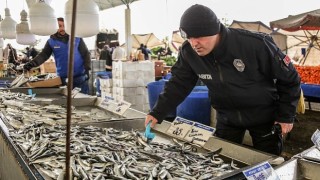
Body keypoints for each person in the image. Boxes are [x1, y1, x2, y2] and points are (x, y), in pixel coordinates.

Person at [145, 4, 301, 156]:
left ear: (215, 31)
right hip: (227, 118)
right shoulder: (189, 53)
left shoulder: (255, 44)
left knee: (269, 162)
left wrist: (286, 116)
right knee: (222, 161)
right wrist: (157, 113)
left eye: (198, 36)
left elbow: (290, 79)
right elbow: (178, 85)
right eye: (189, 37)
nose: (194, 43)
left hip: (265, 118)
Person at [23, 17, 91, 94]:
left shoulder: (77, 38)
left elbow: (86, 54)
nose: (62, 28)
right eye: (59, 26)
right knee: (66, 103)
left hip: (79, 78)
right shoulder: (51, 42)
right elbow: (44, 55)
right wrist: (32, 64)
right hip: (63, 79)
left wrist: (87, 69)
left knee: (82, 101)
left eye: (64, 26)